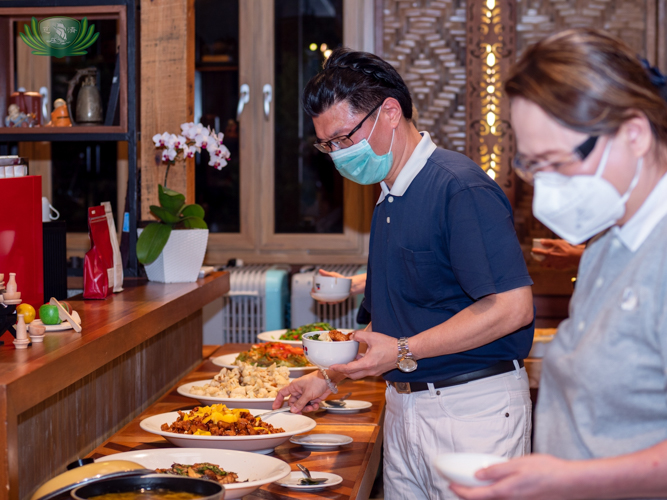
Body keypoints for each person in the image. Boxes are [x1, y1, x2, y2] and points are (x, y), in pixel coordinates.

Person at [274, 47, 535, 499]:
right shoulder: (389, 197)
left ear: (389, 112)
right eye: (327, 145)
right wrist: (329, 376)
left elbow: (512, 308)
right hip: (405, 406)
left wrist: (401, 350)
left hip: (471, 413)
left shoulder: (458, 186)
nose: (338, 155)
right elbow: (394, 320)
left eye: (344, 138)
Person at [452, 28, 667, 500]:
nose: (545, 188)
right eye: (532, 166)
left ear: (634, 134)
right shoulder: (609, 244)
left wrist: (571, 480)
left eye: (557, 162)